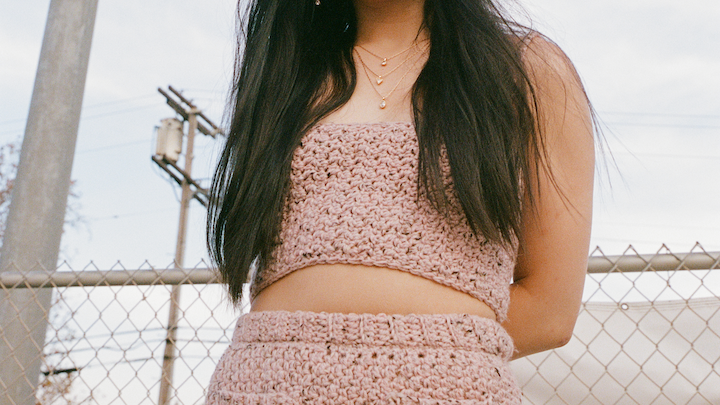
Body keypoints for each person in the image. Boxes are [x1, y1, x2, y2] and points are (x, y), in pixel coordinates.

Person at [205, 0, 595, 403]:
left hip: (448, 386)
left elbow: (552, 310)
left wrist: (419, 347)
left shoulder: (526, 69)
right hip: (262, 382)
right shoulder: (286, 79)